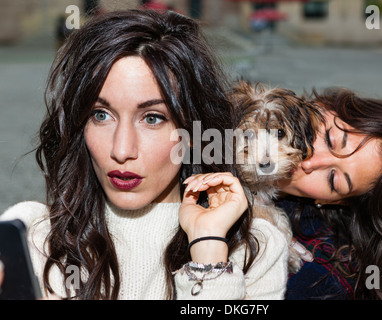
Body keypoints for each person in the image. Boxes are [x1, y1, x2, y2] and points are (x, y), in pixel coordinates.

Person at [0, 9, 288, 300]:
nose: (122, 150)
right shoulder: (34, 241)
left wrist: (209, 255)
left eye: (152, 118)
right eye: (101, 115)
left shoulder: (255, 252)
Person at [276, 87, 382, 299]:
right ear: (322, 107)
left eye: (333, 180)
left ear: (335, 201)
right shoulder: (228, 119)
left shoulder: (317, 279)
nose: (309, 162)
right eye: (328, 139)